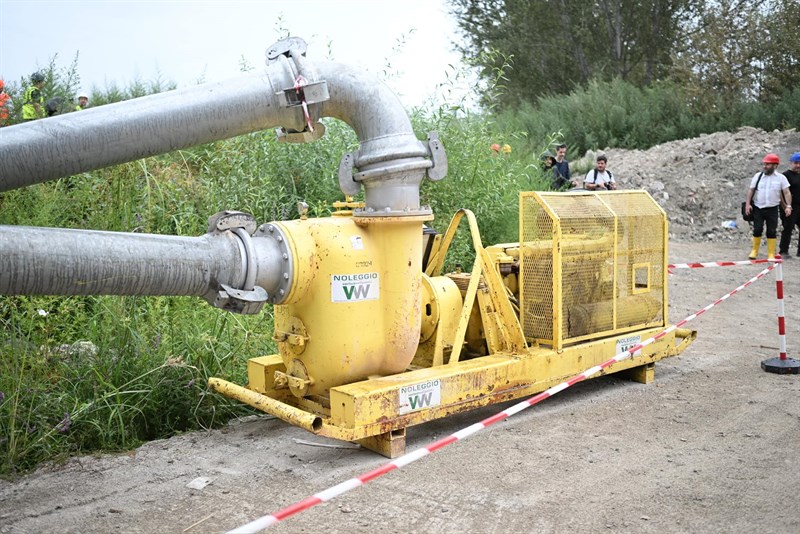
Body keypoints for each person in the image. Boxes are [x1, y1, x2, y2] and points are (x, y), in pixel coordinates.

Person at [744, 153, 792, 260]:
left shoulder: (781, 178)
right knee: (757, 229)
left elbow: (787, 192)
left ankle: (771, 253)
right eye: (764, 164)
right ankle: (754, 251)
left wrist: (788, 206)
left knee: (771, 231)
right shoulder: (758, 176)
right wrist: (747, 204)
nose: (765, 166)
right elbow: (751, 190)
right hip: (758, 208)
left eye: (768, 164)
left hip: (772, 209)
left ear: (775, 165)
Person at [778, 152, 800, 258]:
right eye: (796, 163)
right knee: (788, 228)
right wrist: (785, 206)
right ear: (791, 163)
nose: (798, 165)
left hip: (799, 206)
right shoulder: (785, 176)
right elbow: (781, 193)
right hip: (790, 206)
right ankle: (783, 251)